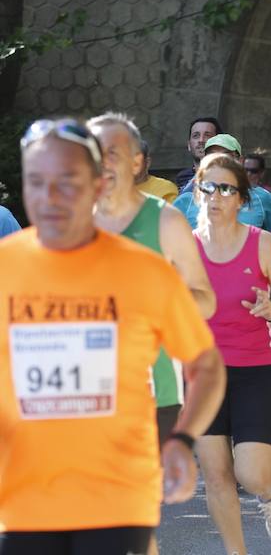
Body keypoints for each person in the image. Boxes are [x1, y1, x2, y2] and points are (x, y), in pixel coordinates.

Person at [1, 119, 225, 555]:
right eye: (35, 181)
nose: (49, 197)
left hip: (116, 492)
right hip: (25, 494)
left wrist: (181, 440)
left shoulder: (142, 269)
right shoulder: (6, 268)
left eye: (66, 181)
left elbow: (206, 364)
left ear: (95, 183)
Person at [192, 153, 271, 553]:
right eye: (208, 186)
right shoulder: (185, 248)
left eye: (226, 188)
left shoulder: (261, 243)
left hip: (252, 366)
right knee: (217, 476)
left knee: (251, 473)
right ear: (197, 192)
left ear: (241, 199)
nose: (215, 196)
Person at [173, 134, 271, 232]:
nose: (218, 161)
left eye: (226, 156)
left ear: (240, 161)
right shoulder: (185, 201)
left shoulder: (262, 198)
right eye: (212, 156)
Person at [175, 117, 222, 191]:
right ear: (189, 145)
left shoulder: (228, 176)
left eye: (207, 135)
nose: (201, 140)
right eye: (196, 136)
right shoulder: (182, 178)